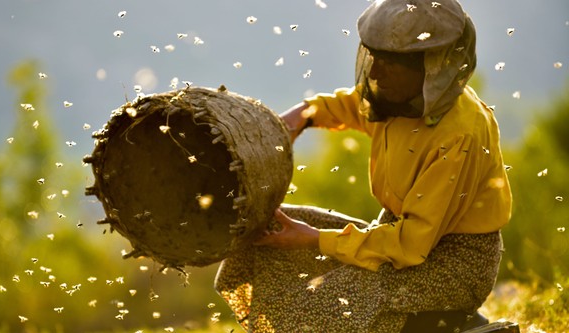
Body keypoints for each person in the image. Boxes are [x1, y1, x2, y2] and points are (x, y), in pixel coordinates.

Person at [215, 0, 513, 332]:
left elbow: (410, 245)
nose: (374, 72)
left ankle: (453, 323)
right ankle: (451, 325)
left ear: (431, 66)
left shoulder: (459, 136)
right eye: (374, 57)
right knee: (269, 230)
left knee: (323, 299)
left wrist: (313, 239)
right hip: (398, 242)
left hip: (452, 266)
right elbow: (352, 105)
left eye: (389, 63)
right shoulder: (399, 97)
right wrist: (303, 115)